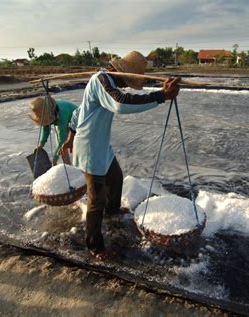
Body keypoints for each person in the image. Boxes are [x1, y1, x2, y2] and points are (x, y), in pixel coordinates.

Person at [59, 51, 181, 259]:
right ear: (123, 74)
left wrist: (70, 135)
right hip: (90, 148)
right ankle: (94, 245)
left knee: (115, 178)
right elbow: (121, 103)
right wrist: (162, 95)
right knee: (96, 199)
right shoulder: (101, 80)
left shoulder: (105, 83)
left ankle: (112, 211)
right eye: (127, 82)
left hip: (101, 145)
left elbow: (78, 113)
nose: (126, 86)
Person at [29, 96, 78, 165]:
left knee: (70, 145)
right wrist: (41, 144)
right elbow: (45, 128)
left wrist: (55, 158)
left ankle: (78, 168)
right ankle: (68, 165)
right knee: (61, 147)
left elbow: (62, 140)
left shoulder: (61, 114)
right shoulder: (45, 111)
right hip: (63, 122)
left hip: (77, 122)